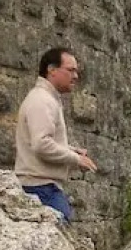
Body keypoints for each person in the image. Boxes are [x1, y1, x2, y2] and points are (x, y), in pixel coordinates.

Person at [14, 47, 97, 222]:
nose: (75, 76)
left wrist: (72, 150)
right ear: (51, 70)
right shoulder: (42, 100)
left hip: (42, 188)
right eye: (70, 70)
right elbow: (41, 144)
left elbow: (40, 140)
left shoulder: (45, 99)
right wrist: (75, 159)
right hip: (41, 189)